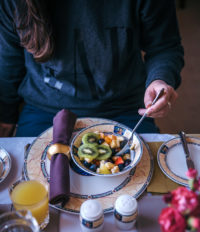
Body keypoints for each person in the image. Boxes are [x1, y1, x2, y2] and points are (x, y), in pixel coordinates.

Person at [0, 0, 184, 137]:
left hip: (124, 108)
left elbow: (164, 46)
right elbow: (8, 59)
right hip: (44, 110)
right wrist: (6, 114)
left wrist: (160, 79)